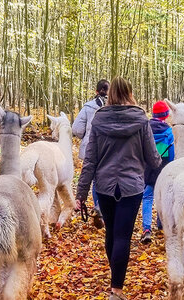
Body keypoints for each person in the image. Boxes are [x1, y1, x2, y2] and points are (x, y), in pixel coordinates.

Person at [75, 76, 161, 300]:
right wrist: (159, 164)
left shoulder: (98, 119)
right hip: (131, 187)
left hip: (104, 186)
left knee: (112, 233)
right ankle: (117, 290)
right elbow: (152, 158)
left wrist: (81, 194)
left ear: (110, 93)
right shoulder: (141, 120)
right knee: (123, 236)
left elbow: (90, 160)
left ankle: (115, 281)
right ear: (130, 93)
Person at [72, 79, 110, 229]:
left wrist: (85, 136)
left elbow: (76, 129)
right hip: (108, 149)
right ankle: (102, 207)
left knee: (94, 179)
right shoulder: (113, 106)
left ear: (96, 91)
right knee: (106, 178)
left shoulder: (88, 107)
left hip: (90, 148)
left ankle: (98, 208)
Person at [140, 100, 175, 244]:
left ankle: (146, 229)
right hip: (164, 169)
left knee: (147, 198)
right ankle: (161, 223)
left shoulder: (145, 128)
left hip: (148, 169)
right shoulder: (169, 132)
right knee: (163, 197)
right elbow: (171, 155)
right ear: (166, 116)